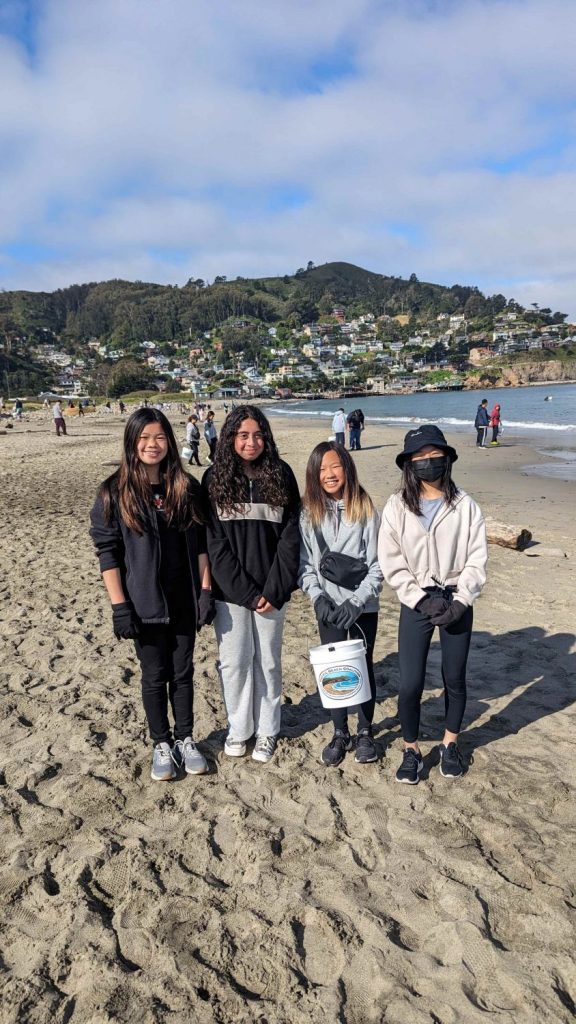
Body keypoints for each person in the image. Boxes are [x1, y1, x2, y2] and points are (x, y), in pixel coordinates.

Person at [89, 409, 216, 782]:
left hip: (183, 598)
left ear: (169, 442)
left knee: (183, 673)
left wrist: (205, 591)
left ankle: (185, 739)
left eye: (159, 437)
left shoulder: (185, 487)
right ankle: (161, 743)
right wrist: (119, 607)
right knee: (153, 675)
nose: (152, 445)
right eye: (144, 438)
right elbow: (108, 553)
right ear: (131, 442)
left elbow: (201, 546)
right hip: (143, 602)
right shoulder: (114, 492)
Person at [378, 425, 488, 784]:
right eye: (419, 458)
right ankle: (411, 749)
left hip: (456, 598)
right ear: (409, 464)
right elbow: (391, 561)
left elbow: (477, 558)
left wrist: (462, 599)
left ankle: (450, 743)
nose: (428, 462)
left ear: (446, 459)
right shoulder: (397, 506)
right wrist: (419, 599)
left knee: (454, 677)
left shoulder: (466, 505)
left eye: (434, 456)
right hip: (417, 602)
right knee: (410, 682)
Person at [202, 405, 300, 764]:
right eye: (243, 435)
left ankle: (267, 731)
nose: (251, 441)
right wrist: (245, 592)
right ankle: (239, 728)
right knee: (234, 663)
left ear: (266, 438)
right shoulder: (214, 480)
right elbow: (214, 543)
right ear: (230, 438)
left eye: (258, 435)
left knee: (268, 663)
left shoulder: (281, 475)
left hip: (273, 594)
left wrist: (274, 590)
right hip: (231, 595)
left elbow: (291, 537)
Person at [299, 442, 383, 767]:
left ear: (346, 468)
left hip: (363, 606)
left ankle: (364, 731)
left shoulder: (363, 507)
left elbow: (378, 565)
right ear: (313, 475)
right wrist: (317, 597)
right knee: (334, 670)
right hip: (327, 607)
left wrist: (359, 601)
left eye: (335, 467)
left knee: (363, 666)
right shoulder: (309, 512)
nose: (329, 474)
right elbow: (305, 564)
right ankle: (339, 732)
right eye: (322, 469)